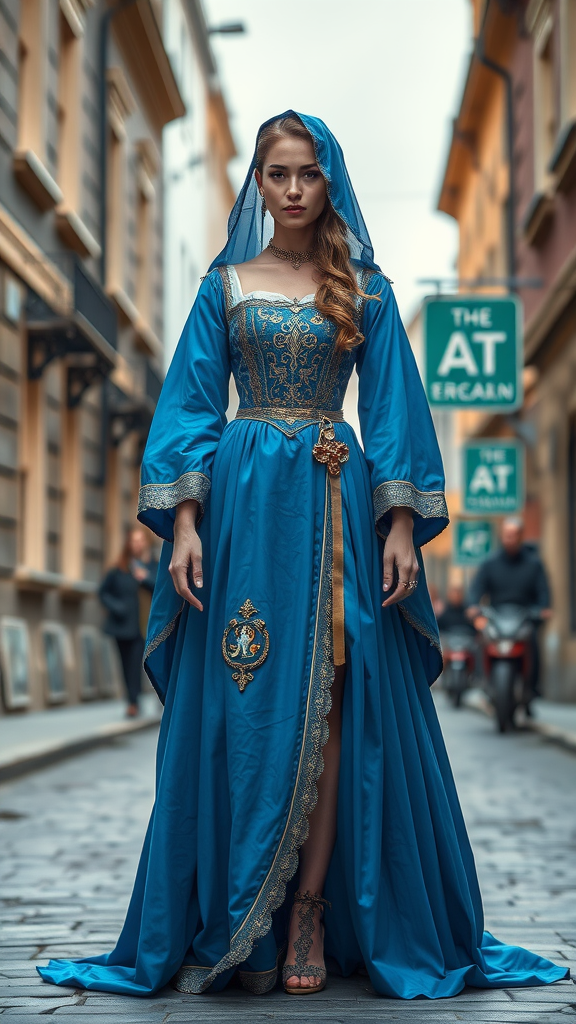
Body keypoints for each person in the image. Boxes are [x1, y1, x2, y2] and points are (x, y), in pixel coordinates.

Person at [37, 112, 566, 999]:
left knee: (333, 701)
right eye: (276, 174)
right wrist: (187, 524)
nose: (290, 190)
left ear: (329, 182)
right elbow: (192, 408)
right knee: (241, 701)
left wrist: (399, 523)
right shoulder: (226, 288)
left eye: (306, 175)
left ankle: (311, 911)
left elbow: (393, 407)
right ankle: (237, 908)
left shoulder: (364, 287)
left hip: (334, 509)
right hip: (244, 511)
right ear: (257, 182)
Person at [467, 516, 552, 698]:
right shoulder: (490, 563)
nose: (510, 539)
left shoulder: (534, 564)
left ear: (521, 536)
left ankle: (532, 687)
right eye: (507, 535)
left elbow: (543, 591)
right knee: (482, 641)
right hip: (497, 616)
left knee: (533, 644)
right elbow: (476, 588)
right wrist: (473, 605)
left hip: (524, 616)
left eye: (514, 535)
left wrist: (544, 608)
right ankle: (482, 680)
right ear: (501, 536)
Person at [98, 527, 157, 717]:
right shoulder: (119, 569)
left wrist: (145, 578)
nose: (137, 544)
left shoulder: (153, 566)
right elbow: (103, 592)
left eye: (141, 540)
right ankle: (133, 702)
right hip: (123, 626)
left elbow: (161, 590)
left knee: (140, 664)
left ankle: (151, 698)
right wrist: (116, 607)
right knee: (127, 665)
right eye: (134, 540)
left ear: (146, 543)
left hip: (146, 625)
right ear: (128, 544)